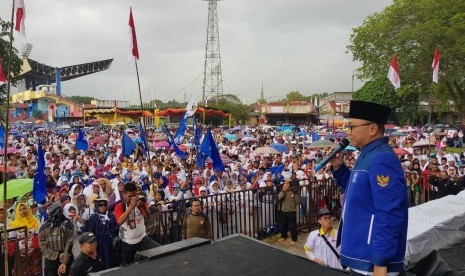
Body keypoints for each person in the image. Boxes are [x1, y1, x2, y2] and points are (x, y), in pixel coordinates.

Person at [330, 100, 408, 275]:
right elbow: (359, 190)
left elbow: (389, 212)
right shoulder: (367, 154)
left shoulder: (382, 158)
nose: (348, 133)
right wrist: (339, 169)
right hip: (361, 254)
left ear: (372, 129)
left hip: (371, 261)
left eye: (352, 127)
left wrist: (381, 260)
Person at [114, 182, 160, 265]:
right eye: (129, 196)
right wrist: (130, 207)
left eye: (134, 195)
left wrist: (142, 207)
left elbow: (148, 217)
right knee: (128, 266)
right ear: (124, 195)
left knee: (160, 251)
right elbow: (120, 221)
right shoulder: (120, 206)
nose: (132, 198)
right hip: (128, 242)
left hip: (143, 238)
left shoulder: (140, 201)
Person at [39, 202, 75, 276]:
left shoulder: (68, 225)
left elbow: (70, 244)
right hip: (51, 260)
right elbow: (43, 246)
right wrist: (56, 255)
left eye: (60, 210)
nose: (59, 212)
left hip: (66, 259)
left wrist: (64, 259)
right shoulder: (44, 227)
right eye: (57, 210)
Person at [277, 178, 300, 246]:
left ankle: (294, 239)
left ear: (290, 184)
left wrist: (294, 196)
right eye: (285, 183)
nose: (286, 185)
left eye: (287, 183)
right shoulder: (282, 191)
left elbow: (297, 202)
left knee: (292, 226)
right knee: (283, 225)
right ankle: (283, 236)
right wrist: (283, 191)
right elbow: (279, 197)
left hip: (291, 211)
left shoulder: (293, 191)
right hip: (283, 211)